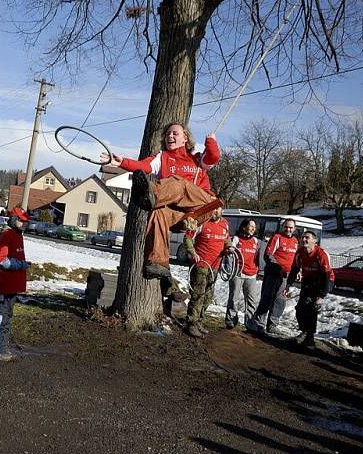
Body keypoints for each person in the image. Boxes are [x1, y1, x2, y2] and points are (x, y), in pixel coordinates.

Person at [102, 122, 223, 280]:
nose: (170, 136)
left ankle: (151, 194)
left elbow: (213, 156)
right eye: (167, 134)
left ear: (185, 138)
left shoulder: (197, 159)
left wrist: (211, 141)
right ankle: (158, 264)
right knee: (158, 212)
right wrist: (122, 163)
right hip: (180, 215)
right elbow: (144, 165)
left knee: (179, 183)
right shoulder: (162, 157)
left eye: (175, 133)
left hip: (201, 204)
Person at [0, 207, 31, 361]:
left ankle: (2, 347)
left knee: (7, 316)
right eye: (21, 221)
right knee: (1, 315)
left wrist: (21, 265)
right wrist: (21, 265)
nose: (23, 224)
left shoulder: (18, 235)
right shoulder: (7, 235)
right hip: (4, 284)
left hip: (12, 285)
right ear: (13, 219)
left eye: (25, 222)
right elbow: (1, 260)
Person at [183, 207, 230, 338]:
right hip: (201, 265)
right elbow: (187, 237)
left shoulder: (225, 224)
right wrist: (193, 252)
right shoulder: (201, 222)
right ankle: (191, 323)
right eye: (213, 209)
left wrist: (229, 248)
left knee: (208, 296)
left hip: (215, 266)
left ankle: (199, 321)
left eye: (217, 210)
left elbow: (227, 240)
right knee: (198, 295)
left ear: (222, 211)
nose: (215, 212)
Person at [247, 218, 299, 335]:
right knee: (267, 298)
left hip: (285, 277)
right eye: (286, 227)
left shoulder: (296, 241)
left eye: (291, 227)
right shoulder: (277, 238)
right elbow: (268, 255)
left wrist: (298, 270)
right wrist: (277, 268)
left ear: (294, 229)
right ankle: (258, 323)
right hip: (273, 274)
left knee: (280, 301)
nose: (288, 229)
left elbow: (296, 259)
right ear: (283, 227)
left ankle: (272, 325)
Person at [285, 231, 333, 347]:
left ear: (314, 241)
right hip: (308, 280)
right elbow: (294, 269)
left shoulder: (321, 254)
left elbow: (326, 275)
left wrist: (321, 296)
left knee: (311, 308)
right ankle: (305, 331)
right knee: (300, 309)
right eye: (303, 238)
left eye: (307, 238)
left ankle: (309, 337)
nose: (304, 240)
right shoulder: (300, 253)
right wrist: (288, 285)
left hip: (323, 281)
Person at [224, 219, 262, 330]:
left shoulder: (255, 241)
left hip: (251, 275)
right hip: (238, 273)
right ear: (244, 227)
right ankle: (231, 320)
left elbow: (257, 257)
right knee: (234, 298)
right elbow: (229, 254)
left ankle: (250, 323)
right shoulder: (236, 239)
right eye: (251, 226)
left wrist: (257, 270)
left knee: (251, 300)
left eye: (254, 227)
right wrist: (230, 269)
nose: (253, 229)